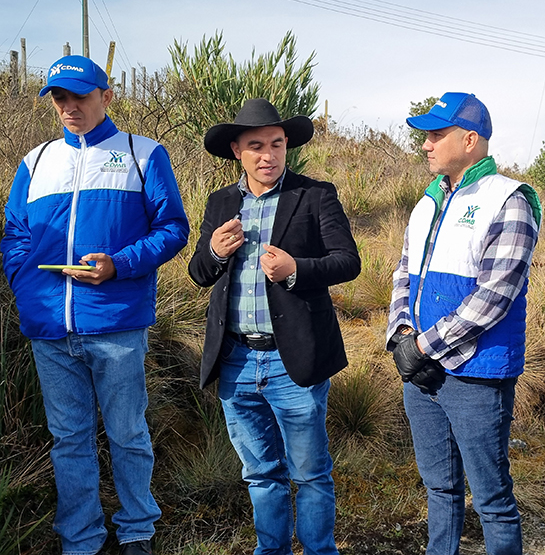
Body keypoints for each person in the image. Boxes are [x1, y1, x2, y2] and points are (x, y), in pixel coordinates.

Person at [1, 55, 189, 555]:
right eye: (59, 98)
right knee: (69, 439)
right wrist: (26, 289)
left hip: (116, 323)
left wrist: (118, 265)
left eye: (79, 96)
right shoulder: (35, 162)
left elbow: (173, 230)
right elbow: (15, 234)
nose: (68, 107)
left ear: (106, 97)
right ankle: (80, 538)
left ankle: (137, 529)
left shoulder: (143, 154)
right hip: (50, 330)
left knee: (127, 432)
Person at [188, 98, 360, 555]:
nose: (269, 155)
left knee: (310, 473)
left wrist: (295, 269)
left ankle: (321, 551)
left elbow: (348, 261)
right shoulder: (221, 201)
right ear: (236, 151)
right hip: (236, 360)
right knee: (260, 473)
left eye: (278, 144)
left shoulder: (314, 194)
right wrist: (216, 253)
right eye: (257, 146)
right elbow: (200, 273)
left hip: (294, 361)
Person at [386, 92, 541, 555]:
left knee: (492, 499)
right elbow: (403, 273)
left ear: (470, 140)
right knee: (439, 489)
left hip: (477, 374)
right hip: (422, 369)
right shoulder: (427, 202)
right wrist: (400, 337)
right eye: (425, 136)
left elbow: (494, 296)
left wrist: (425, 347)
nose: (426, 145)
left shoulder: (508, 200)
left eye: (437, 135)